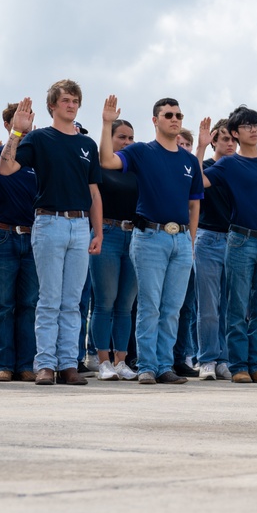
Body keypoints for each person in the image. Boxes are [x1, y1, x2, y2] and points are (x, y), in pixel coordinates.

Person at [0, 80, 103, 387]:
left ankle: (68, 364)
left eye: (75, 101)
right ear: (53, 106)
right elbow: (6, 168)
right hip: (49, 222)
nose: (72, 105)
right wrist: (17, 132)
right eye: (66, 100)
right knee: (49, 299)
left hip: (80, 225)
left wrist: (97, 231)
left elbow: (94, 191)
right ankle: (45, 364)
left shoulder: (87, 144)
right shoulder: (40, 138)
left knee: (73, 302)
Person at [99, 95, 203, 385]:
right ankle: (146, 365)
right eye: (168, 115)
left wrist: (190, 242)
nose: (174, 120)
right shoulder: (143, 152)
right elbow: (107, 160)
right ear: (155, 120)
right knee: (149, 306)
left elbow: (195, 204)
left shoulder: (189, 161)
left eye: (179, 116)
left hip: (180, 240)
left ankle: (164, 366)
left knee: (172, 308)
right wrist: (107, 123)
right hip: (149, 237)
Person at [198, 106, 257, 384]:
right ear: (235, 133)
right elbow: (198, 181)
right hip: (239, 241)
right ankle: (238, 365)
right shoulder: (228, 163)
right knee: (236, 306)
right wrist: (201, 148)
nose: (254, 129)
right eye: (247, 126)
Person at [0, 102, 39, 382]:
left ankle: (25, 364)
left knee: (28, 304)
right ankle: (3, 364)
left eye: (30, 120)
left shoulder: (38, 156)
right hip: (2, 234)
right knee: (2, 304)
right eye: (20, 120)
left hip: (34, 236)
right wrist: (16, 133)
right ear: (8, 124)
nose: (27, 125)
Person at [85, 118, 138, 381]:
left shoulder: (136, 167)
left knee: (125, 306)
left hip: (134, 237)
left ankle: (121, 361)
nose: (127, 142)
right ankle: (103, 360)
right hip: (107, 234)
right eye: (121, 137)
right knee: (104, 302)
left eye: (131, 138)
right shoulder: (98, 167)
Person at [192, 119, 236, 381]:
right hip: (208, 239)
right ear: (215, 142)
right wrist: (200, 146)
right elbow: (194, 182)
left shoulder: (240, 168)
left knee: (231, 308)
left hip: (236, 240)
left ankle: (224, 359)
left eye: (233, 139)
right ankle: (207, 358)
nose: (230, 143)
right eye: (224, 139)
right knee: (208, 306)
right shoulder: (207, 166)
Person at [172, 126, 198, 375]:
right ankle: (156, 358)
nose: (184, 148)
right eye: (180, 143)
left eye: (187, 144)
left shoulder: (190, 167)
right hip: (159, 237)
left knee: (186, 306)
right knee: (158, 305)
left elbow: (194, 205)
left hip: (186, 242)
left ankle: (181, 357)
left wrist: (190, 242)